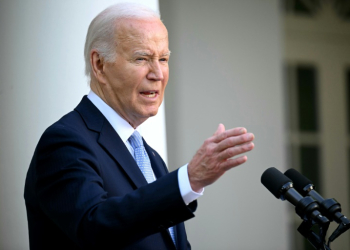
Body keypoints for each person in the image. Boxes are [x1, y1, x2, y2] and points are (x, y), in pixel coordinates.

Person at [24, 3, 255, 250]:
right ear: (100, 65)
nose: (157, 73)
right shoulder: (65, 142)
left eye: (163, 59)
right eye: (141, 58)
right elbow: (94, 229)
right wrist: (188, 180)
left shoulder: (149, 156)